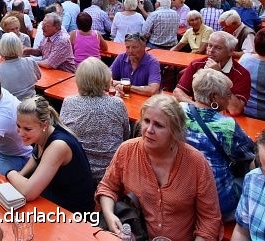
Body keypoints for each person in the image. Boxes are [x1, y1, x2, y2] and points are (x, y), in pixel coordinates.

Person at [97, 94, 222, 240]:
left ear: (174, 131)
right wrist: (110, 215)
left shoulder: (196, 163)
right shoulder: (127, 150)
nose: (149, 129)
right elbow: (108, 187)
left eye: (159, 125)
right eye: (146, 121)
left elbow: (209, 219)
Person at [182, 69, 255, 221]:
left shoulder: (179, 111)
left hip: (183, 192)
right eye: (228, 94)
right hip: (216, 202)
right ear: (214, 97)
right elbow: (248, 154)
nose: (230, 98)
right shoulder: (227, 125)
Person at [8, 96, 96, 212]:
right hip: (54, 197)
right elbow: (36, 157)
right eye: (18, 126)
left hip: (72, 213)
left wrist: (11, 173)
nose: (21, 133)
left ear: (44, 125)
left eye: (27, 129)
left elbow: (29, 193)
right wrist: (20, 175)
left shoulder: (58, 145)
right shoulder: (45, 132)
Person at [60, 58, 129, 182]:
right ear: (105, 78)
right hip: (110, 173)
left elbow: (64, 135)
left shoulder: (68, 102)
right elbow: (126, 135)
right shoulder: (117, 104)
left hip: (77, 170)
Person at [174, 31, 251, 116]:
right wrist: (197, 108)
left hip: (226, 120)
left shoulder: (241, 74)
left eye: (218, 48)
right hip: (198, 115)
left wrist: (219, 75)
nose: (211, 50)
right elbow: (178, 92)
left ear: (231, 51)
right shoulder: (197, 64)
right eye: (210, 45)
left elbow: (235, 110)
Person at [0, 33, 41, 100]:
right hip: (32, 104)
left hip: (12, 107)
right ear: (19, 46)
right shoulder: (30, 61)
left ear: (1, 47)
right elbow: (39, 77)